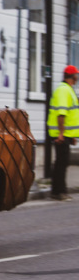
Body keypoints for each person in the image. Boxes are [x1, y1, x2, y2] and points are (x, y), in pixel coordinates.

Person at [47, 64, 79, 201]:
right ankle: (59, 192)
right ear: (71, 77)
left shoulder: (68, 89)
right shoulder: (63, 90)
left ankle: (58, 191)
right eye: (76, 75)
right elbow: (61, 114)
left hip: (66, 134)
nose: (77, 77)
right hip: (61, 134)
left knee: (62, 162)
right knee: (61, 163)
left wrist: (72, 136)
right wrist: (61, 133)